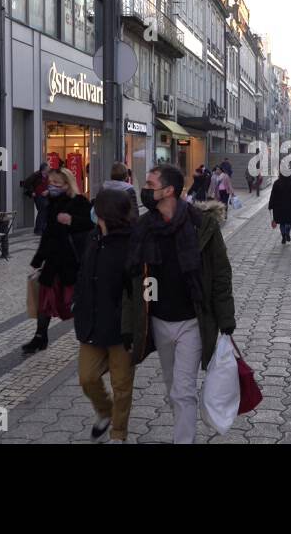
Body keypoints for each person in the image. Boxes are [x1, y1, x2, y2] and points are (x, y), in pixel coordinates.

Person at [125, 165, 236, 444]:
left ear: (169, 190)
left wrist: (226, 318)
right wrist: (130, 322)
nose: (146, 189)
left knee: (183, 390)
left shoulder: (201, 225)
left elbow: (221, 273)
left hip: (192, 321)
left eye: (150, 184)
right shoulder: (144, 227)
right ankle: (183, 429)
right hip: (159, 321)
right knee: (173, 387)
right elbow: (133, 279)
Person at [72, 189, 136, 443]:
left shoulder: (131, 242)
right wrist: (78, 301)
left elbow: (138, 287)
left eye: (95, 205)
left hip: (121, 329)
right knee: (87, 377)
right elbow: (82, 273)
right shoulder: (93, 237)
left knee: (121, 387)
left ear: (104, 212)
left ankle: (118, 434)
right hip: (92, 324)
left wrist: (132, 321)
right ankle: (104, 411)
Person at [23, 168, 94, 354]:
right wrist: (37, 260)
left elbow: (91, 223)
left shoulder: (79, 202)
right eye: (51, 183)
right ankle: (40, 336)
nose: (52, 186)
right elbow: (48, 236)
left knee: (75, 303)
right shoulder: (51, 204)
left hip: (72, 263)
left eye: (57, 183)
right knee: (45, 302)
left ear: (67, 184)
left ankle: (87, 337)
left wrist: (72, 220)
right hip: (54, 262)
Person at [269, 173, 291, 245]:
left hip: (279, 206)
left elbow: (273, 195)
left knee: (282, 222)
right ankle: (287, 232)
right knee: (289, 221)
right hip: (290, 206)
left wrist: (271, 205)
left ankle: (283, 236)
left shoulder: (277, 183)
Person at [23, 163, 50, 235]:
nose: (49, 169)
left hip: (46, 196)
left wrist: (47, 191)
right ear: (43, 170)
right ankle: (38, 230)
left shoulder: (48, 176)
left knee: (45, 211)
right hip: (38, 196)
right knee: (42, 210)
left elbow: (51, 185)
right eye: (47, 168)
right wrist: (32, 192)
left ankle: (42, 228)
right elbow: (26, 183)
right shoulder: (36, 175)